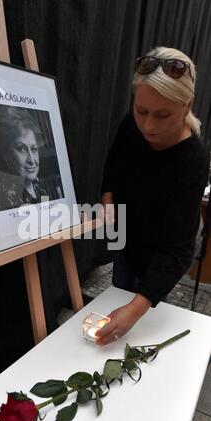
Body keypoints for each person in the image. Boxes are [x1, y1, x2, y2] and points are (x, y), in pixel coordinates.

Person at [97, 47, 209, 346]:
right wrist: (107, 194)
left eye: (162, 115)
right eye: (142, 111)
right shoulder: (131, 123)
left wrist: (137, 307)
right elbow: (115, 160)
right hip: (127, 233)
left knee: (146, 315)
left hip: (162, 249)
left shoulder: (193, 161)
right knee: (121, 284)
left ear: (187, 105)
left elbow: (177, 249)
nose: (148, 126)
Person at [0, 104, 47, 211]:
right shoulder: (7, 201)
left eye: (34, 149)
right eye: (21, 149)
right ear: (6, 155)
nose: (32, 160)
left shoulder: (41, 192)